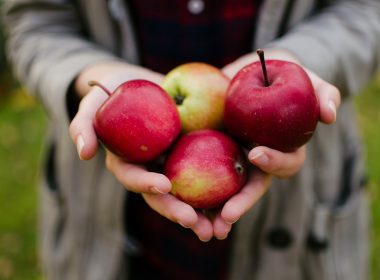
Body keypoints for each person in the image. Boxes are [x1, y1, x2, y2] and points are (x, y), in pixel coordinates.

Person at [3, 0, 380, 279]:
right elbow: (36, 21)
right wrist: (87, 75)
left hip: (297, 215)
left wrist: (301, 60)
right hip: (114, 223)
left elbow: (364, 10)